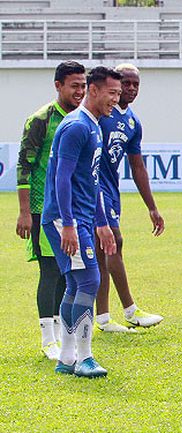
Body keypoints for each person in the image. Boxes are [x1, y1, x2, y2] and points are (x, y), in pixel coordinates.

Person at [42, 66, 122, 378]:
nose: (115, 99)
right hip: (68, 218)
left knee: (78, 283)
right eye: (111, 93)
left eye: (118, 93)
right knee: (89, 281)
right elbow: (62, 178)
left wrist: (102, 223)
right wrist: (70, 224)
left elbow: (92, 181)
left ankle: (66, 356)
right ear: (93, 90)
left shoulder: (93, 126)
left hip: (83, 217)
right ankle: (85, 357)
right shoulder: (76, 127)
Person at [16, 61, 86, 360]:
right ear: (58, 86)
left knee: (67, 271)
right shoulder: (41, 120)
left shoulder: (85, 120)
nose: (79, 91)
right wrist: (23, 212)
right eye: (74, 85)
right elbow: (24, 166)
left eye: (83, 86)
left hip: (73, 209)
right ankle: (48, 339)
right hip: (43, 208)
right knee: (51, 270)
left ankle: (61, 332)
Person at [94, 63, 165, 332]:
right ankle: (131, 310)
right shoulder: (99, 115)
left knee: (103, 251)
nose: (131, 88)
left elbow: (137, 166)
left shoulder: (133, 122)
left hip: (112, 190)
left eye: (136, 84)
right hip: (95, 187)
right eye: (127, 83)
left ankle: (102, 318)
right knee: (114, 242)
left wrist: (152, 207)